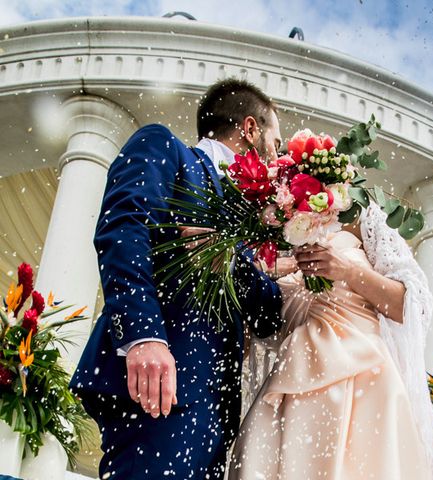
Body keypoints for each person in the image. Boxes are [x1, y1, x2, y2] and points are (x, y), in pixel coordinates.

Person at [70, 79, 284, 479]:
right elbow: (123, 227)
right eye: (276, 142)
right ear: (250, 129)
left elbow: (271, 313)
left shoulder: (253, 221)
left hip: (215, 416)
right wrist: (143, 336)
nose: (277, 156)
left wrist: (230, 260)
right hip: (158, 385)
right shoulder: (167, 148)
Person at [228, 205, 433, 479]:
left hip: (364, 384)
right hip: (289, 385)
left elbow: (413, 308)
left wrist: (348, 271)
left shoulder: (364, 218)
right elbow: (257, 330)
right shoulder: (270, 232)